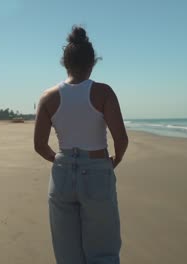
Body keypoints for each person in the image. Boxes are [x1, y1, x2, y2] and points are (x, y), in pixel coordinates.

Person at [34, 25, 128, 264]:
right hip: (97, 171)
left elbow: (40, 145)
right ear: (92, 63)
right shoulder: (103, 92)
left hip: (62, 173)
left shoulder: (48, 97)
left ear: (65, 63)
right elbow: (121, 140)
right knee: (103, 251)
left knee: (68, 254)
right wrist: (113, 161)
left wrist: (62, 160)